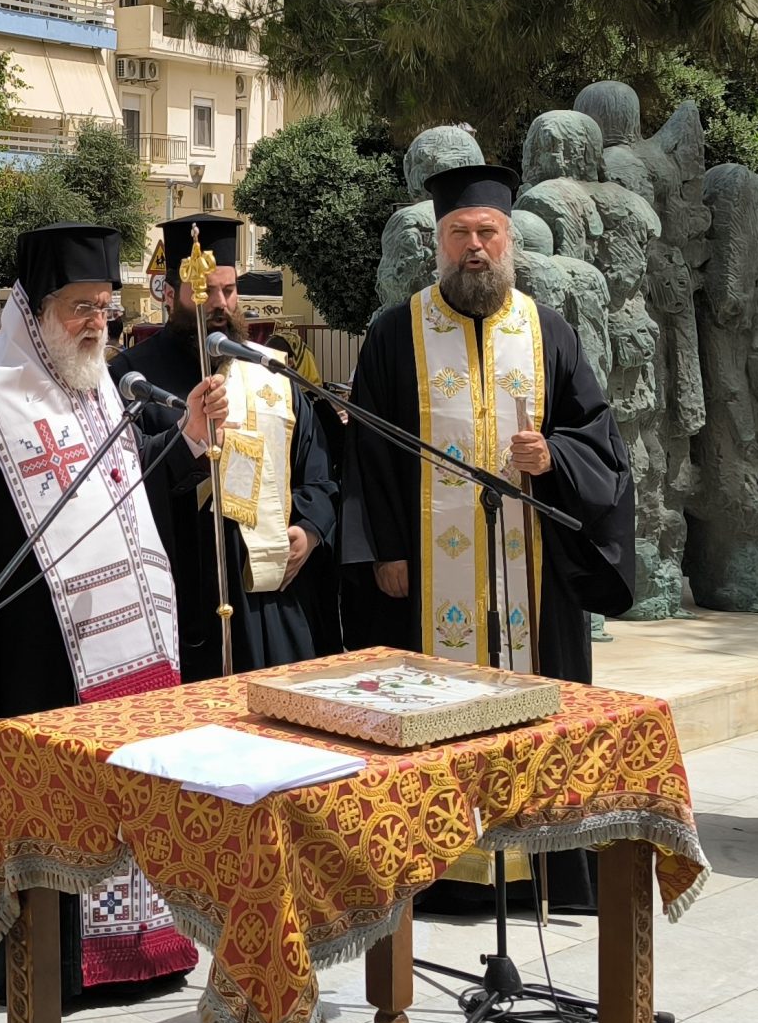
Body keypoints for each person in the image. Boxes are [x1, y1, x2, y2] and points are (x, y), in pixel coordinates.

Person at [0, 224, 214, 997]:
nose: (95, 324)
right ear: (35, 307)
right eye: (80, 307)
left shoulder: (100, 386)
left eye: (105, 307)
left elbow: (129, 496)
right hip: (31, 658)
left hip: (128, 655)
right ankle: (43, 962)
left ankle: (138, 955)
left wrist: (187, 439)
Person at [343, 164, 638, 904]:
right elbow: (368, 453)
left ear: (509, 241)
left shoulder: (547, 330)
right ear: (438, 243)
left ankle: (538, 866)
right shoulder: (395, 331)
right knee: (425, 710)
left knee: (531, 713)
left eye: (487, 232)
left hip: (528, 573)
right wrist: (386, 549)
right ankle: (438, 874)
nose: (474, 246)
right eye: (459, 233)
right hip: (423, 578)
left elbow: (598, 437)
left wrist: (554, 457)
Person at [115, 215, 338, 680]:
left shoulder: (269, 373)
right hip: (184, 588)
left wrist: (311, 529)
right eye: (205, 291)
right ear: (171, 293)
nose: (219, 304)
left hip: (269, 595)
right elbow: (125, 480)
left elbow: (317, 471)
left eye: (229, 291)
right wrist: (188, 441)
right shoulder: (132, 377)